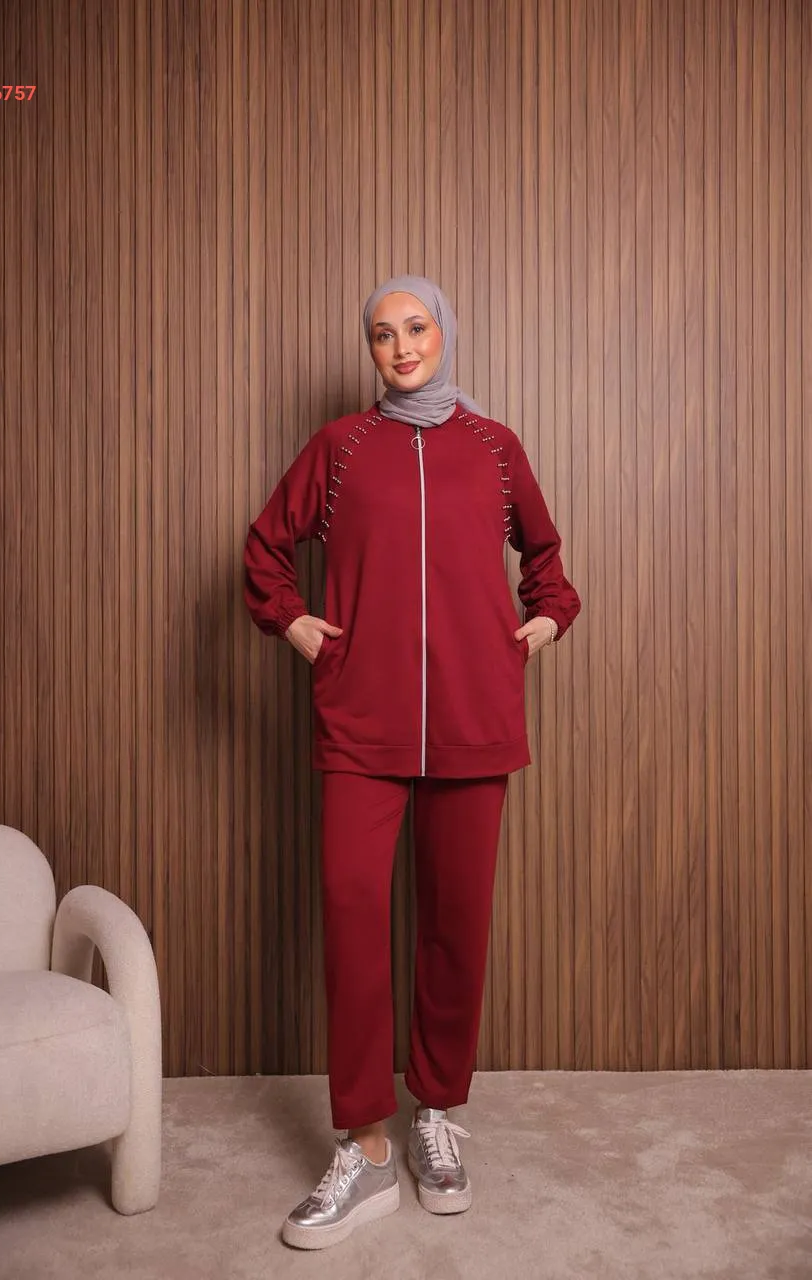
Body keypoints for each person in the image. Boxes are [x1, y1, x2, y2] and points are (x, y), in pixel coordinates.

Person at [243, 274, 581, 1250]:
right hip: (361, 721)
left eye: (416, 327)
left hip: (475, 719)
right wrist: (292, 621)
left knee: (455, 926)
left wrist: (545, 620)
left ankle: (435, 1110)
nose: (401, 346)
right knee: (353, 917)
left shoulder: (496, 447)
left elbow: (548, 565)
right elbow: (265, 548)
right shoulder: (341, 448)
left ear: (445, 333)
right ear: (372, 350)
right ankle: (364, 1145)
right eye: (383, 334)